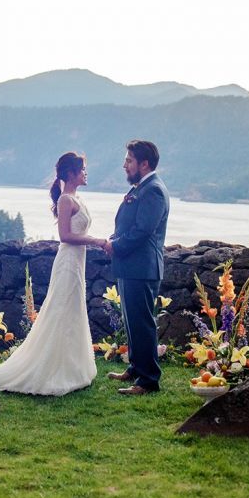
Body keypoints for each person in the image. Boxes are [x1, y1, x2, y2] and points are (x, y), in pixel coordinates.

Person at [0, 151, 107, 396]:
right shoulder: (66, 200)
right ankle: (52, 369)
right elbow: (66, 236)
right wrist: (99, 241)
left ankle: (72, 367)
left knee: (72, 311)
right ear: (71, 174)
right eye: (82, 169)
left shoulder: (76, 198)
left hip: (77, 261)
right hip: (68, 261)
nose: (85, 173)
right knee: (61, 310)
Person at [104, 140, 169, 395]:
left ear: (144, 164)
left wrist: (115, 246)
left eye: (129, 161)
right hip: (131, 267)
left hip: (142, 268)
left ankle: (149, 380)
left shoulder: (153, 190)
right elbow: (129, 225)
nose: (124, 165)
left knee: (142, 323)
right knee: (131, 321)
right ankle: (135, 368)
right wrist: (114, 240)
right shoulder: (142, 187)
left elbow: (143, 231)